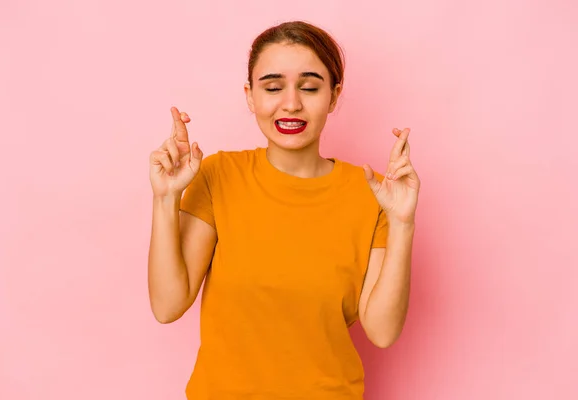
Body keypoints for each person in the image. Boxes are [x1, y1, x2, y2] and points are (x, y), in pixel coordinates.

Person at [147, 20, 420, 400]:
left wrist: (402, 222)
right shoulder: (218, 175)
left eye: (309, 87)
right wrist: (165, 198)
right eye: (273, 87)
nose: (291, 103)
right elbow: (167, 305)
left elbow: (383, 331)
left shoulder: (371, 193)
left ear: (334, 95)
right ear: (250, 95)